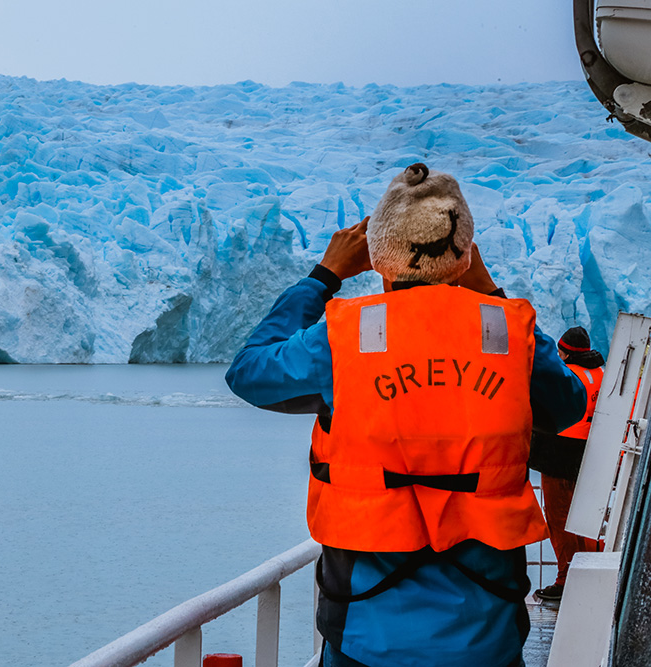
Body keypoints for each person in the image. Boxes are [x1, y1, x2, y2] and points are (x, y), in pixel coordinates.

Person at [225, 163, 587, 667]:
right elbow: (567, 404)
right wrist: (490, 294)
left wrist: (323, 277)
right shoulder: (505, 332)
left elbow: (248, 372)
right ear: (464, 255)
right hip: (488, 636)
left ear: (379, 259)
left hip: (366, 636)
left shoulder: (344, 338)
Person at [528, 326, 605, 601]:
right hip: (592, 458)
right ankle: (593, 572)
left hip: (559, 457)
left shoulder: (569, 377)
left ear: (566, 352)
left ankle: (566, 577)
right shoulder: (600, 374)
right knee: (589, 520)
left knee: (560, 520)